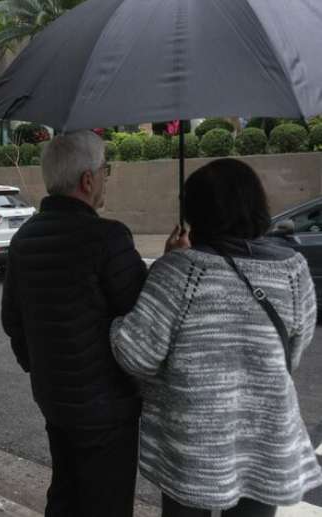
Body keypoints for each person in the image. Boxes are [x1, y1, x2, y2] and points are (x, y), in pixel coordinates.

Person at [111, 158, 322, 517]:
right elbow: (293, 353)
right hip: (264, 438)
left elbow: (137, 355)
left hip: (192, 449)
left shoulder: (179, 271)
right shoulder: (293, 270)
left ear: (196, 211)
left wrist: (117, 322)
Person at [1, 130, 149, 517]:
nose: (105, 179)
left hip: (54, 400)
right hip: (108, 410)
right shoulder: (108, 238)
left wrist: (43, 369)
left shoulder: (23, 239)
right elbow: (143, 318)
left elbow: (13, 322)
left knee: (65, 494)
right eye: (104, 171)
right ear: (87, 180)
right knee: (107, 503)